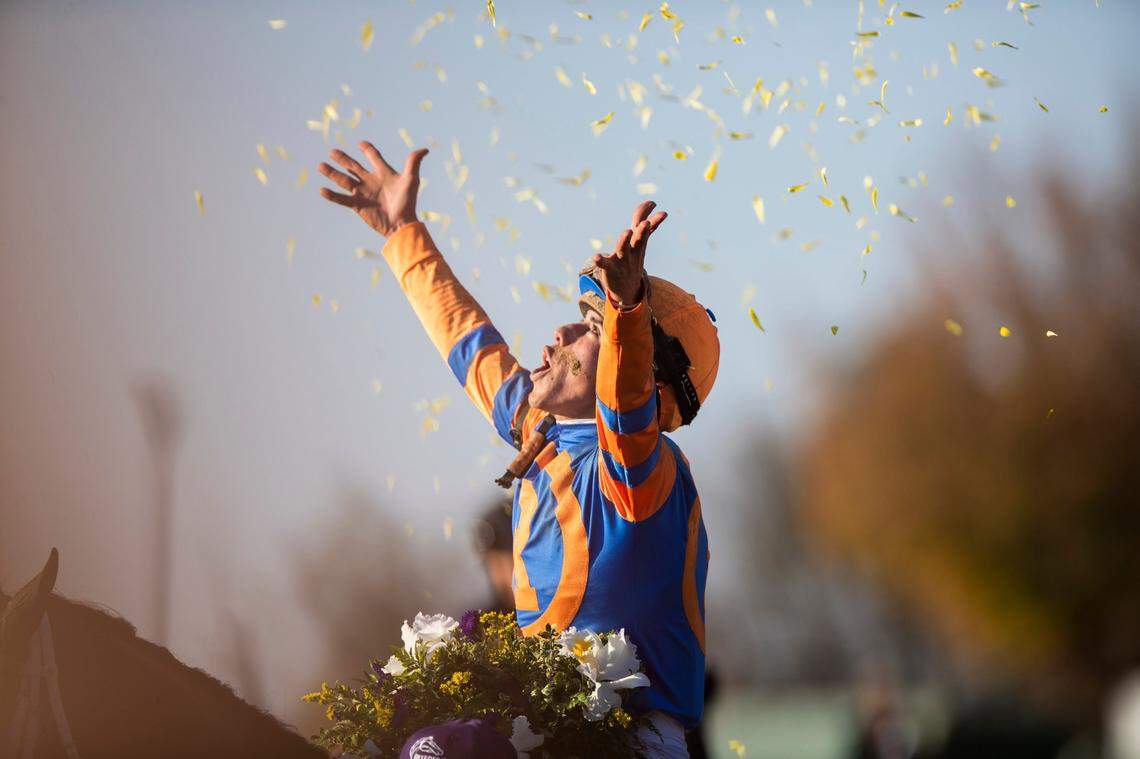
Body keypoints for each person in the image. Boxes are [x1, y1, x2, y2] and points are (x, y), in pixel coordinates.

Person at [318, 141, 719, 758]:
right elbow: (468, 344)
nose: (557, 332)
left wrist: (629, 311)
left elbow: (628, 404)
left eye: (589, 327)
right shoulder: (545, 432)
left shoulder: (642, 470)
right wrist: (402, 233)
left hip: (632, 743)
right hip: (559, 726)